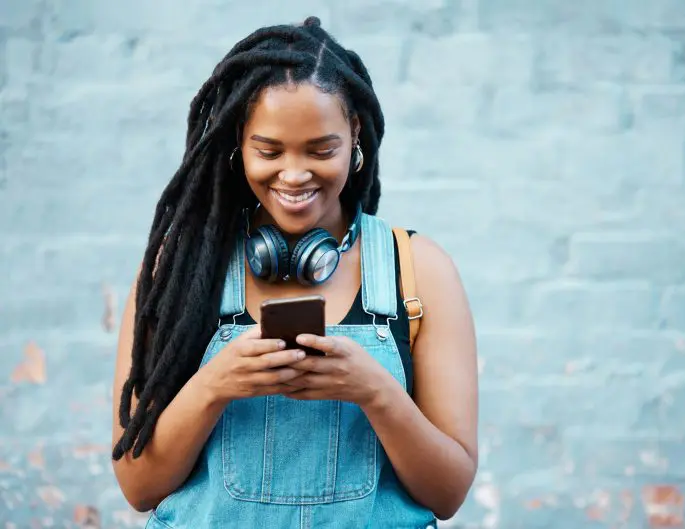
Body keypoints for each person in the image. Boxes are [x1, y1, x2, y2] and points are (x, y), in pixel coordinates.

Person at [110, 16, 478, 529]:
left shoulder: (419, 270)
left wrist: (376, 392)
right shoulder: (179, 270)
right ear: (238, 142)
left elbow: (448, 494)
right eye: (269, 151)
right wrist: (215, 385)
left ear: (355, 136)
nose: (294, 174)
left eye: (321, 150)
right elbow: (138, 486)